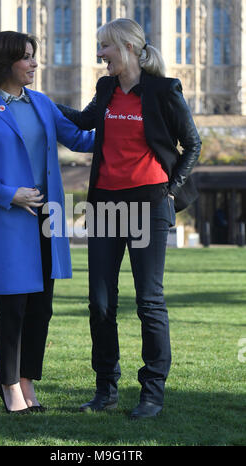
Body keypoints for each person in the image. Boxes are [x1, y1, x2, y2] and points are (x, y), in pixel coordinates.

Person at [57, 18, 201, 418]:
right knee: (100, 303)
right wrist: (42, 104)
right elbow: (84, 122)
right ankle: (106, 389)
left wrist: (169, 191)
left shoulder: (163, 89)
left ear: (128, 48)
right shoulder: (105, 89)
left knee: (149, 301)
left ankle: (152, 393)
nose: (99, 54)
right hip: (103, 204)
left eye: (104, 47)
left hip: (149, 203)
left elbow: (192, 143)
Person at [0, 31, 94, 414]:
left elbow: (81, 140)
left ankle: (26, 381)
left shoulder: (42, 103)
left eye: (34, 56)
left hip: (47, 220)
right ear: (6, 63)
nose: (35, 63)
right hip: (9, 222)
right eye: (27, 57)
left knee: (41, 307)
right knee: (13, 308)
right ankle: (8, 384)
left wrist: (125, 124)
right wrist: (9, 194)